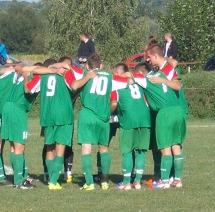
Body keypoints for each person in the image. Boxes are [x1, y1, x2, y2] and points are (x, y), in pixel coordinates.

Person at [1, 63, 58, 189]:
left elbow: (23, 68)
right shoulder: (36, 77)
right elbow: (28, 89)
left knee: (13, 146)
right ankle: (19, 181)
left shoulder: (22, 74)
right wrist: (52, 70)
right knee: (20, 146)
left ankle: (19, 177)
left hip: (8, 107)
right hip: (17, 110)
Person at [132, 58, 186, 189]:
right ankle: (177, 179)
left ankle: (165, 180)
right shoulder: (165, 73)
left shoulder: (147, 78)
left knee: (164, 147)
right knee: (176, 145)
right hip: (178, 110)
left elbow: (127, 76)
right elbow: (173, 65)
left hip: (164, 113)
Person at [26, 60, 74, 190]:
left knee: (49, 148)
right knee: (60, 147)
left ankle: (50, 178)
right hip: (63, 115)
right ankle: (53, 181)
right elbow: (74, 86)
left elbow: (28, 89)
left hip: (47, 115)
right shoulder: (64, 73)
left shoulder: (41, 76)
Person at [67, 53, 112, 191]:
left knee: (86, 149)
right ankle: (104, 181)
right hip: (104, 116)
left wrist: (87, 76)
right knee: (104, 148)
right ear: (101, 65)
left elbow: (74, 86)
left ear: (88, 65)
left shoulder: (84, 73)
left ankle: (89, 183)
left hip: (88, 114)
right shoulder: (110, 76)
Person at [110, 72, 151, 190]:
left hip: (129, 120)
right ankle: (137, 181)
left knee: (127, 151)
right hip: (145, 119)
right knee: (141, 151)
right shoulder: (139, 83)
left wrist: (109, 114)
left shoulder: (116, 87)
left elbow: (114, 104)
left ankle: (127, 182)